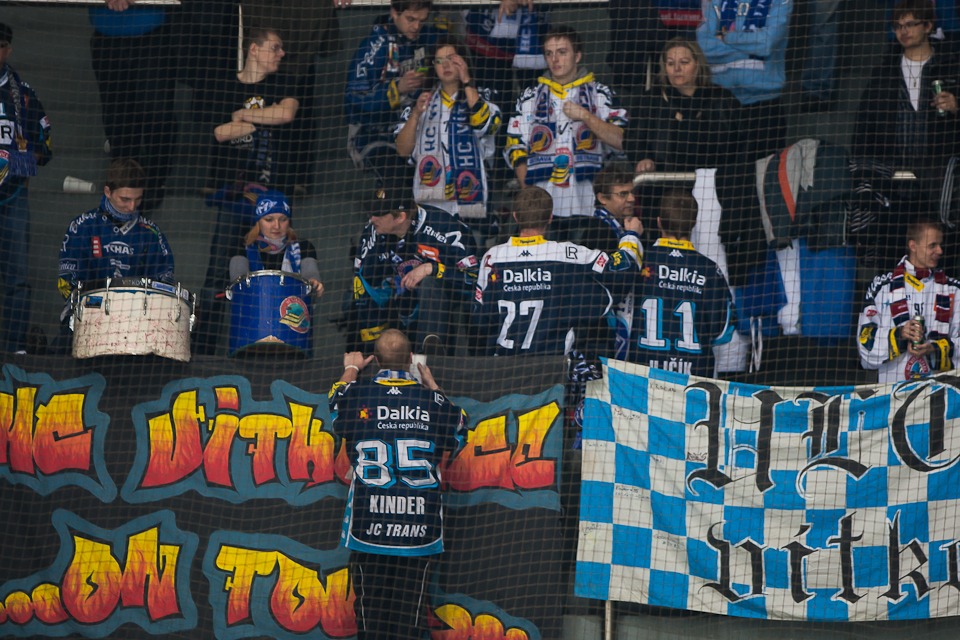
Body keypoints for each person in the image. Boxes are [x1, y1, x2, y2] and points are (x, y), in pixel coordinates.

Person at [329, 329, 464, 640]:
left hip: (368, 527)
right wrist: (432, 385)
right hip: (419, 530)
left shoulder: (357, 396)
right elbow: (459, 427)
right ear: (412, 359)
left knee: (369, 618)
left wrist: (352, 368)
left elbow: (336, 401)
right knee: (410, 620)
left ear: (375, 361)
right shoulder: (433, 402)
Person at [196, 26, 300, 355]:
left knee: (275, 272)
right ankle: (203, 347)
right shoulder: (225, 85)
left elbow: (286, 113)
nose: (281, 53)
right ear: (253, 49)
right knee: (218, 272)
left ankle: (275, 342)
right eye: (275, 47)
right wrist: (261, 118)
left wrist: (244, 116)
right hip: (234, 197)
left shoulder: (283, 82)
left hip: (273, 203)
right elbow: (219, 132)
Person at [472, 186, 640, 356]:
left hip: (503, 365)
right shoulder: (567, 253)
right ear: (550, 218)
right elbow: (622, 268)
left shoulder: (493, 257)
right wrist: (631, 236)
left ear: (515, 216)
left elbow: (481, 318)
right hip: (551, 366)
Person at [853, 0, 960, 267]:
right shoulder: (884, 75)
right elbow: (864, 129)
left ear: (928, 26)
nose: (903, 31)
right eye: (898, 25)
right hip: (897, 183)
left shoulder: (951, 69)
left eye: (910, 24)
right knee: (896, 260)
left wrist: (957, 107)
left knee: (942, 260)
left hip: (943, 186)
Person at [504, 25, 628, 242]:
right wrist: (530, 196)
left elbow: (622, 141)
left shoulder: (601, 94)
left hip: (589, 206)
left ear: (577, 55)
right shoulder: (529, 97)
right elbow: (514, 146)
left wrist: (586, 116)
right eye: (549, 53)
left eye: (562, 52)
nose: (555, 59)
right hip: (543, 213)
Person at [346, 187, 479, 355]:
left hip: (446, 297)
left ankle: (431, 354)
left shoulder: (447, 229)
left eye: (378, 214)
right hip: (399, 298)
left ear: (400, 217)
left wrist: (432, 269)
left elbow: (475, 279)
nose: (372, 219)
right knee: (357, 293)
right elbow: (363, 283)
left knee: (429, 284)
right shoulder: (371, 233)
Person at [57, 159, 175, 334]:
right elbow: (67, 283)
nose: (132, 206)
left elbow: (163, 285)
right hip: (87, 318)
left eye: (138, 199)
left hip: (137, 325)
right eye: (125, 199)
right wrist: (106, 306)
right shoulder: (83, 226)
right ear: (108, 192)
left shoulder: (151, 234)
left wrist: (131, 311)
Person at [395, 38, 501, 231]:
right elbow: (402, 150)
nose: (445, 65)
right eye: (439, 61)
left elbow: (486, 125)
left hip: (471, 198)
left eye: (451, 59)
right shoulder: (420, 102)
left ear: (463, 61)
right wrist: (416, 114)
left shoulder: (482, 97)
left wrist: (467, 81)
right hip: (432, 202)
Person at [627, 190, 735, 377]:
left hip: (641, 377)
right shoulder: (710, 270)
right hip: (693, 379)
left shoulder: (639, 261)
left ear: (658, 221)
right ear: (693, 224)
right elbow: (723, 332)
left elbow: (618, 320)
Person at [88, 0, 177, 212]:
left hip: (152, 37)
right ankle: (125, 182)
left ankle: (154, 182)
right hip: (106, 37)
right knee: (117, 115)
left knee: (157, 112)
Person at [344, 0, 440, 185]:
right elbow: (353, 97)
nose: (416, 26)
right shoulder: (375, 44)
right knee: (397, 178)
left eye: (422, 20)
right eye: (410, 19)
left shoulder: (428, 37)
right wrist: (396, 89)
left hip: (418, 131)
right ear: (394, 13)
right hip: (373, 135)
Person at [0, 22, 53, 354]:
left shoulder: (24, 94)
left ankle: (15, 349)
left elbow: (43, 150)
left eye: (0, 45)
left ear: (8, 49)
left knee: (17, 278)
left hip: (12, 197)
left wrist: (12, 162)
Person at [858, 218, 960, 384]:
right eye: (932, 245)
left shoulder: (954, 290)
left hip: (941, 393)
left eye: (940, 245)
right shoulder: (881, 287)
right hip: (892, 393)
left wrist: (935, 348)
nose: (940, 251)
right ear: (913, 246)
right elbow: (865, 343)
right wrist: (899, 335)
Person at [695, 0, 792, 160]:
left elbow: (766, 44)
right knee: (720, 170)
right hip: (721, 105)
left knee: (763, 171)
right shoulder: (716, 2)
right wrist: (750, 48)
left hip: (764, 106)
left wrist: (726, 38)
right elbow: (704, 47)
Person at [628, 37, 739, 177]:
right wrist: (643, 158)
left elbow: (737, 145)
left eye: (684, 62)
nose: (677, 69)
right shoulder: (650, 101)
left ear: (697, 64)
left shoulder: (722, 99)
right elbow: (634, 138)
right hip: (662, 182)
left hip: (714, 182)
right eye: (670, 63)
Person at [228, 189, 323, 295]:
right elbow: (238, 281)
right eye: (269, 220)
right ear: (258, 221)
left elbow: (311, 274)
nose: (277, 226)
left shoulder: (304, 247)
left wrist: (314, 282)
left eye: (283, 219)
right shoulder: (241, 247)